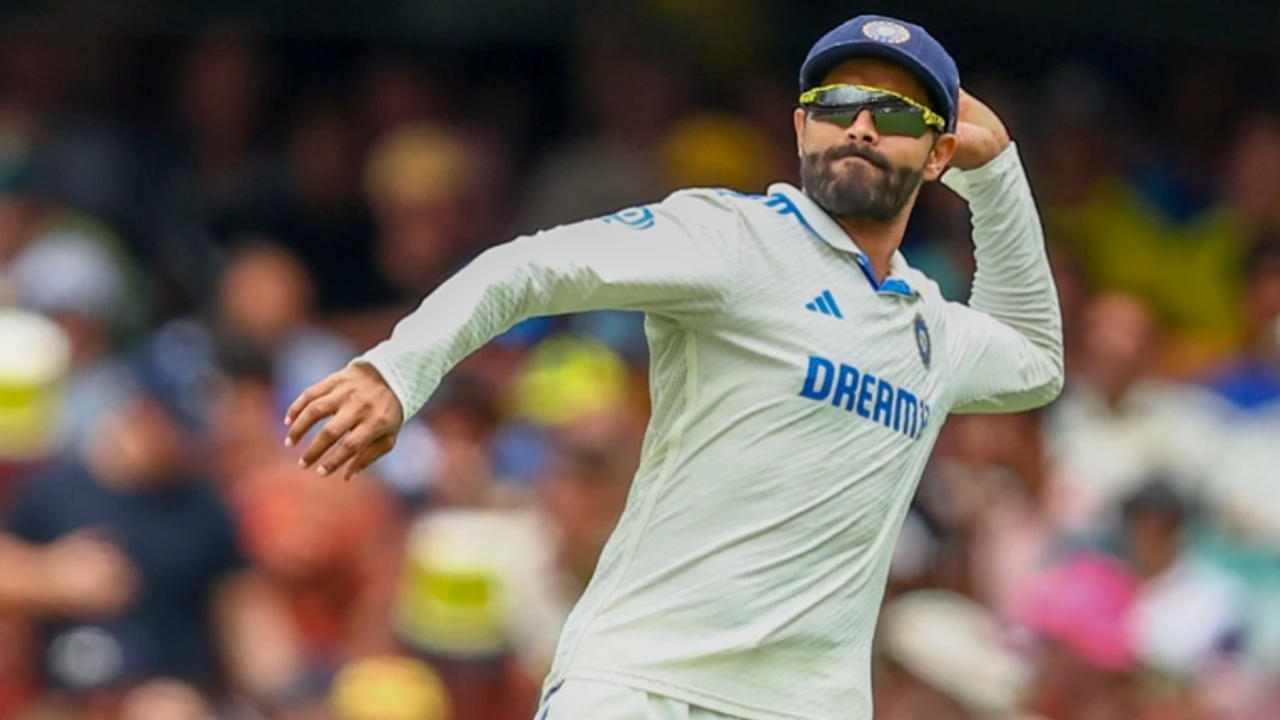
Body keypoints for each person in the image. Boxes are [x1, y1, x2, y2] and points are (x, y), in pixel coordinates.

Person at [284, 14, 1063, 720]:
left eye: (894, 113)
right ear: (801, 128)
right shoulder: (732, 237)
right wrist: (396, 371)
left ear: (937, 157)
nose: (859, 127)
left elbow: (1035, 361)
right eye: (836, 104)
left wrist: (995, 178)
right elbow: (533, 267)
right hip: (644, 687)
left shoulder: (928, 322)